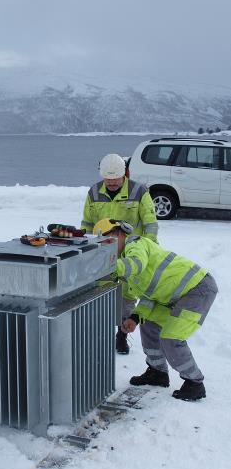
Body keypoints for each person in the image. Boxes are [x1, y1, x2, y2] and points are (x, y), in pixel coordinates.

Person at [93, 218, 218, 401]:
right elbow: (150, 296)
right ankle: (157, 373)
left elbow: (136, 264)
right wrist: (135, 317)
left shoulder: (135, 244)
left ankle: (195, 383)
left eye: (107, 241)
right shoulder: (124, 259)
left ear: (120, 233)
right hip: (172, 296)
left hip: (197, 289)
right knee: (149, 326)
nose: (106, 248)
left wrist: (108, 268)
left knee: (171, 337)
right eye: (101, 244)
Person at [83, 153, 158, 354]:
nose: (112, 183)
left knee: (127, 295)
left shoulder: (139, 191)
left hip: (132, 252)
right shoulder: (93, 192)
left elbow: (150, 223)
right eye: (108, 179)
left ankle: (122, 334)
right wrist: (87, 247)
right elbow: (87, 223)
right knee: (100, 291)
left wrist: (148, 248)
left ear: (124, 173)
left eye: (115, 179)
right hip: (103, 251)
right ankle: (98, 332)